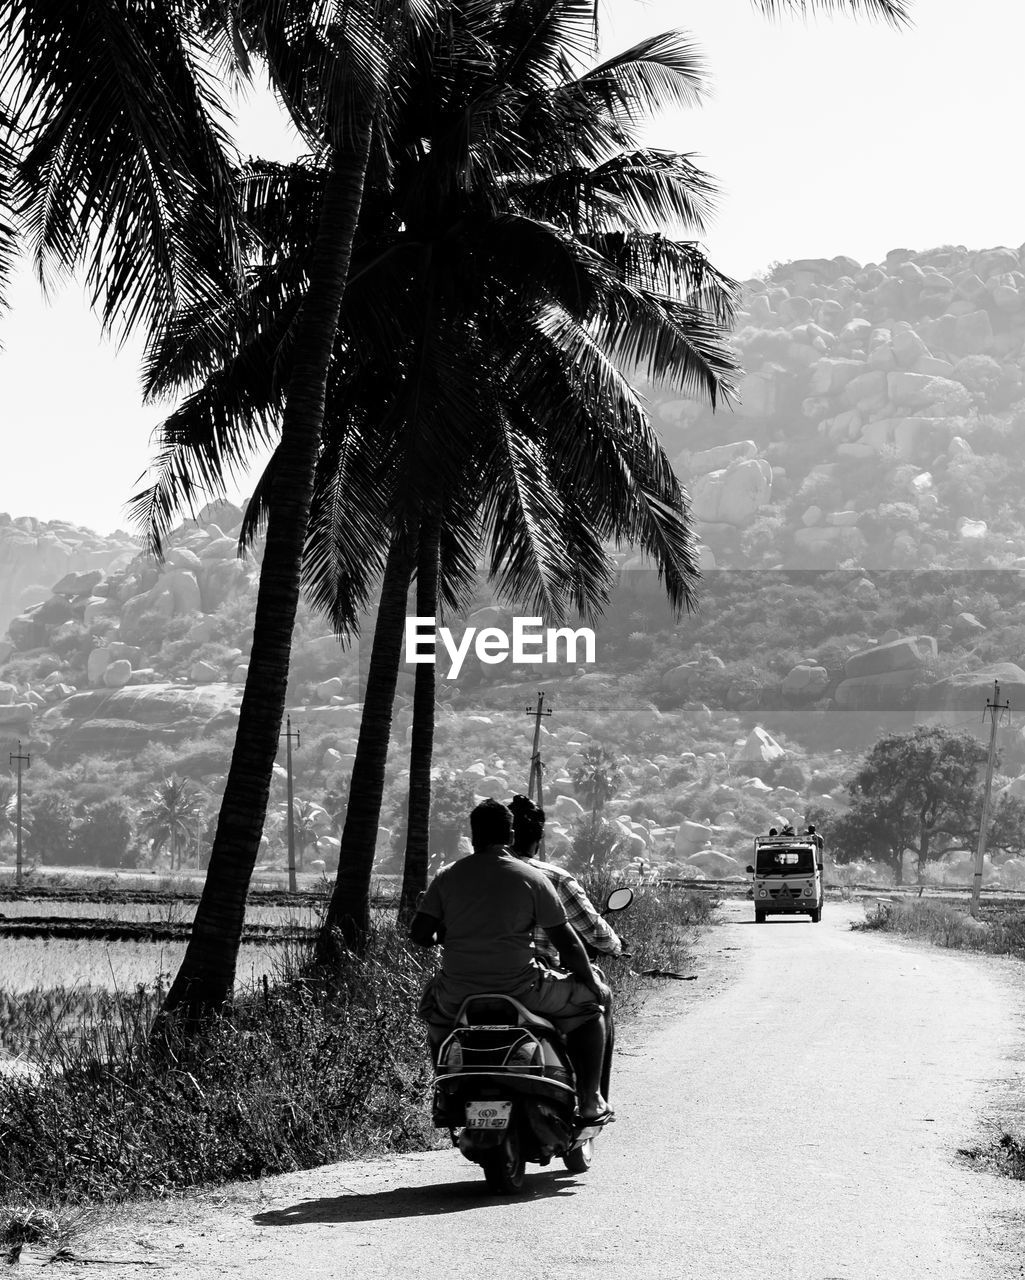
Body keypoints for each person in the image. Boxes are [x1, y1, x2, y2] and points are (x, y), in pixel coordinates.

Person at [409, 799, 612, 1123]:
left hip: (457, 994)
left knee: (435, 1022)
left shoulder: (447, 876)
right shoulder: (532, 877)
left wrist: (442, 937)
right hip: (523, 989)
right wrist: (590, 982)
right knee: (590, 1010)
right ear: (511, 833)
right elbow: (568, 944)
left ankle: (446, 1094)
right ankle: (589, 1101)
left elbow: (419, 934)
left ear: (473, 835)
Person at [508, 794, 620, 1101]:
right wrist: (615, 946)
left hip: (470, 980)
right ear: (539, 837)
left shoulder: (463, 874)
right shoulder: (550, 877)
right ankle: (591, 1097)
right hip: (534, 979)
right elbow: (581, 936)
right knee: (597, 999)